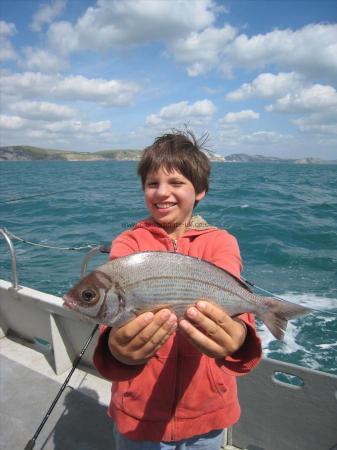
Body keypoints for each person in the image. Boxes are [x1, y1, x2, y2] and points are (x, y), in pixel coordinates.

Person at [93, 130, 262, 450]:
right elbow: (114, 312)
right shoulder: (128, 243)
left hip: (208, 412)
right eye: (152, 183)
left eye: (176, 183)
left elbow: (230, 290)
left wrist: (239, 337)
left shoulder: (221, 242)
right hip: (139, 413)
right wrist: (116, 348)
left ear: (200, 191)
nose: (162, 192)